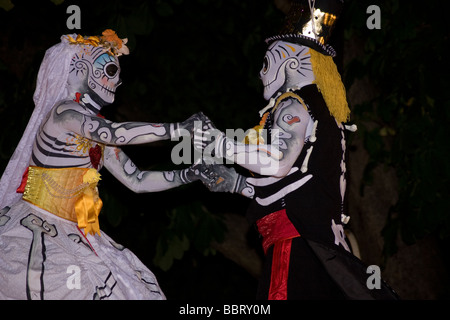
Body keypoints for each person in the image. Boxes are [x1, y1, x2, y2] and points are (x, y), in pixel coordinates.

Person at [194, 0, 398, 299]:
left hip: (298, 243)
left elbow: (277, 163)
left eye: (265, 64)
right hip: (324, 251)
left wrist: (214, 140)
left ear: (289, 63)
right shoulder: (323, 111)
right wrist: (238, 184)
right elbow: (295, 178)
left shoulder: (293, 103)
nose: (261, 75)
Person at [0, 30, 205, 300]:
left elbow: (138, 181)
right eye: (109, 69)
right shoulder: (65, 112)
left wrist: (192, 174)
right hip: (38, 228)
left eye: (117, 73)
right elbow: (117, 132)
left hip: (75, 231)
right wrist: (179, 128)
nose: (117, 79)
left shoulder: (93, 130)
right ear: (80, 69)